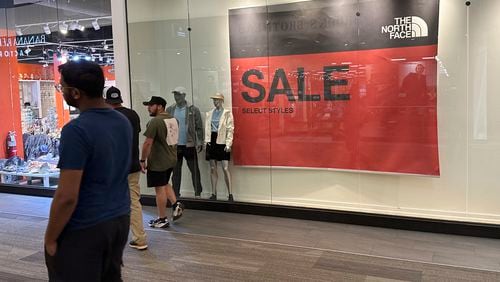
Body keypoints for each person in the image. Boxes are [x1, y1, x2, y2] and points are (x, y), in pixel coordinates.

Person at [44, 61, 132, 281]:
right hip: (120, 219)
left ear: (75, 93)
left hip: (86, 226)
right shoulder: (122, 121)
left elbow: (66, 196)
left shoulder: (76, 130)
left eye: (61, 87)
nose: (61, 91)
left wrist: (50, 238)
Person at [105, 86, 148, 251]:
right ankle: (140, 238)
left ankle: (110, 238)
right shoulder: (133, 114)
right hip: (132, 165)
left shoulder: (109, 117)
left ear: (107, 102)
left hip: (115, 168)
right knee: (134, 202)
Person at [141, 96, 184, 228]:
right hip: (171, 159)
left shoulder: (155, 122)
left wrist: (142, 160)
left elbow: (147, 143)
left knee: (159, 189)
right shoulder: (173, 119)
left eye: (151, 105)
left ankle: (162, 219)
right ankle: (176, 204)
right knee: (165, 183)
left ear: (160, 106)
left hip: (158, 161)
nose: (148, 107)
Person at [166, 86, 204, 198]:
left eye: (178, 94)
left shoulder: (193, 109)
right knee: (176, 172)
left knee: (194, 170)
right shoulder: (170, 110)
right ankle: (175, 195)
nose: (176, 97)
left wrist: (199, 141)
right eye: (175, 94)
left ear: (184, 95)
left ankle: (198, 193)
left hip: (189, 144)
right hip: (175, 145)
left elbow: (199, 127)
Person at [204, 93, 234, 201]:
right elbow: (207, 128)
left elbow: (230, 129)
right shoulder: (209, 113)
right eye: (214, 100)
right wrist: (206, 141)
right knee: (212, 168)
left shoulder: (227, 113)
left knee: (225, 168)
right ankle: (213, 193)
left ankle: (230, 194)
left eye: (217, 100)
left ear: (221, 101)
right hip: (211, 140)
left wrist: (228, 143)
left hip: (222, 140)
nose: (215, 102)